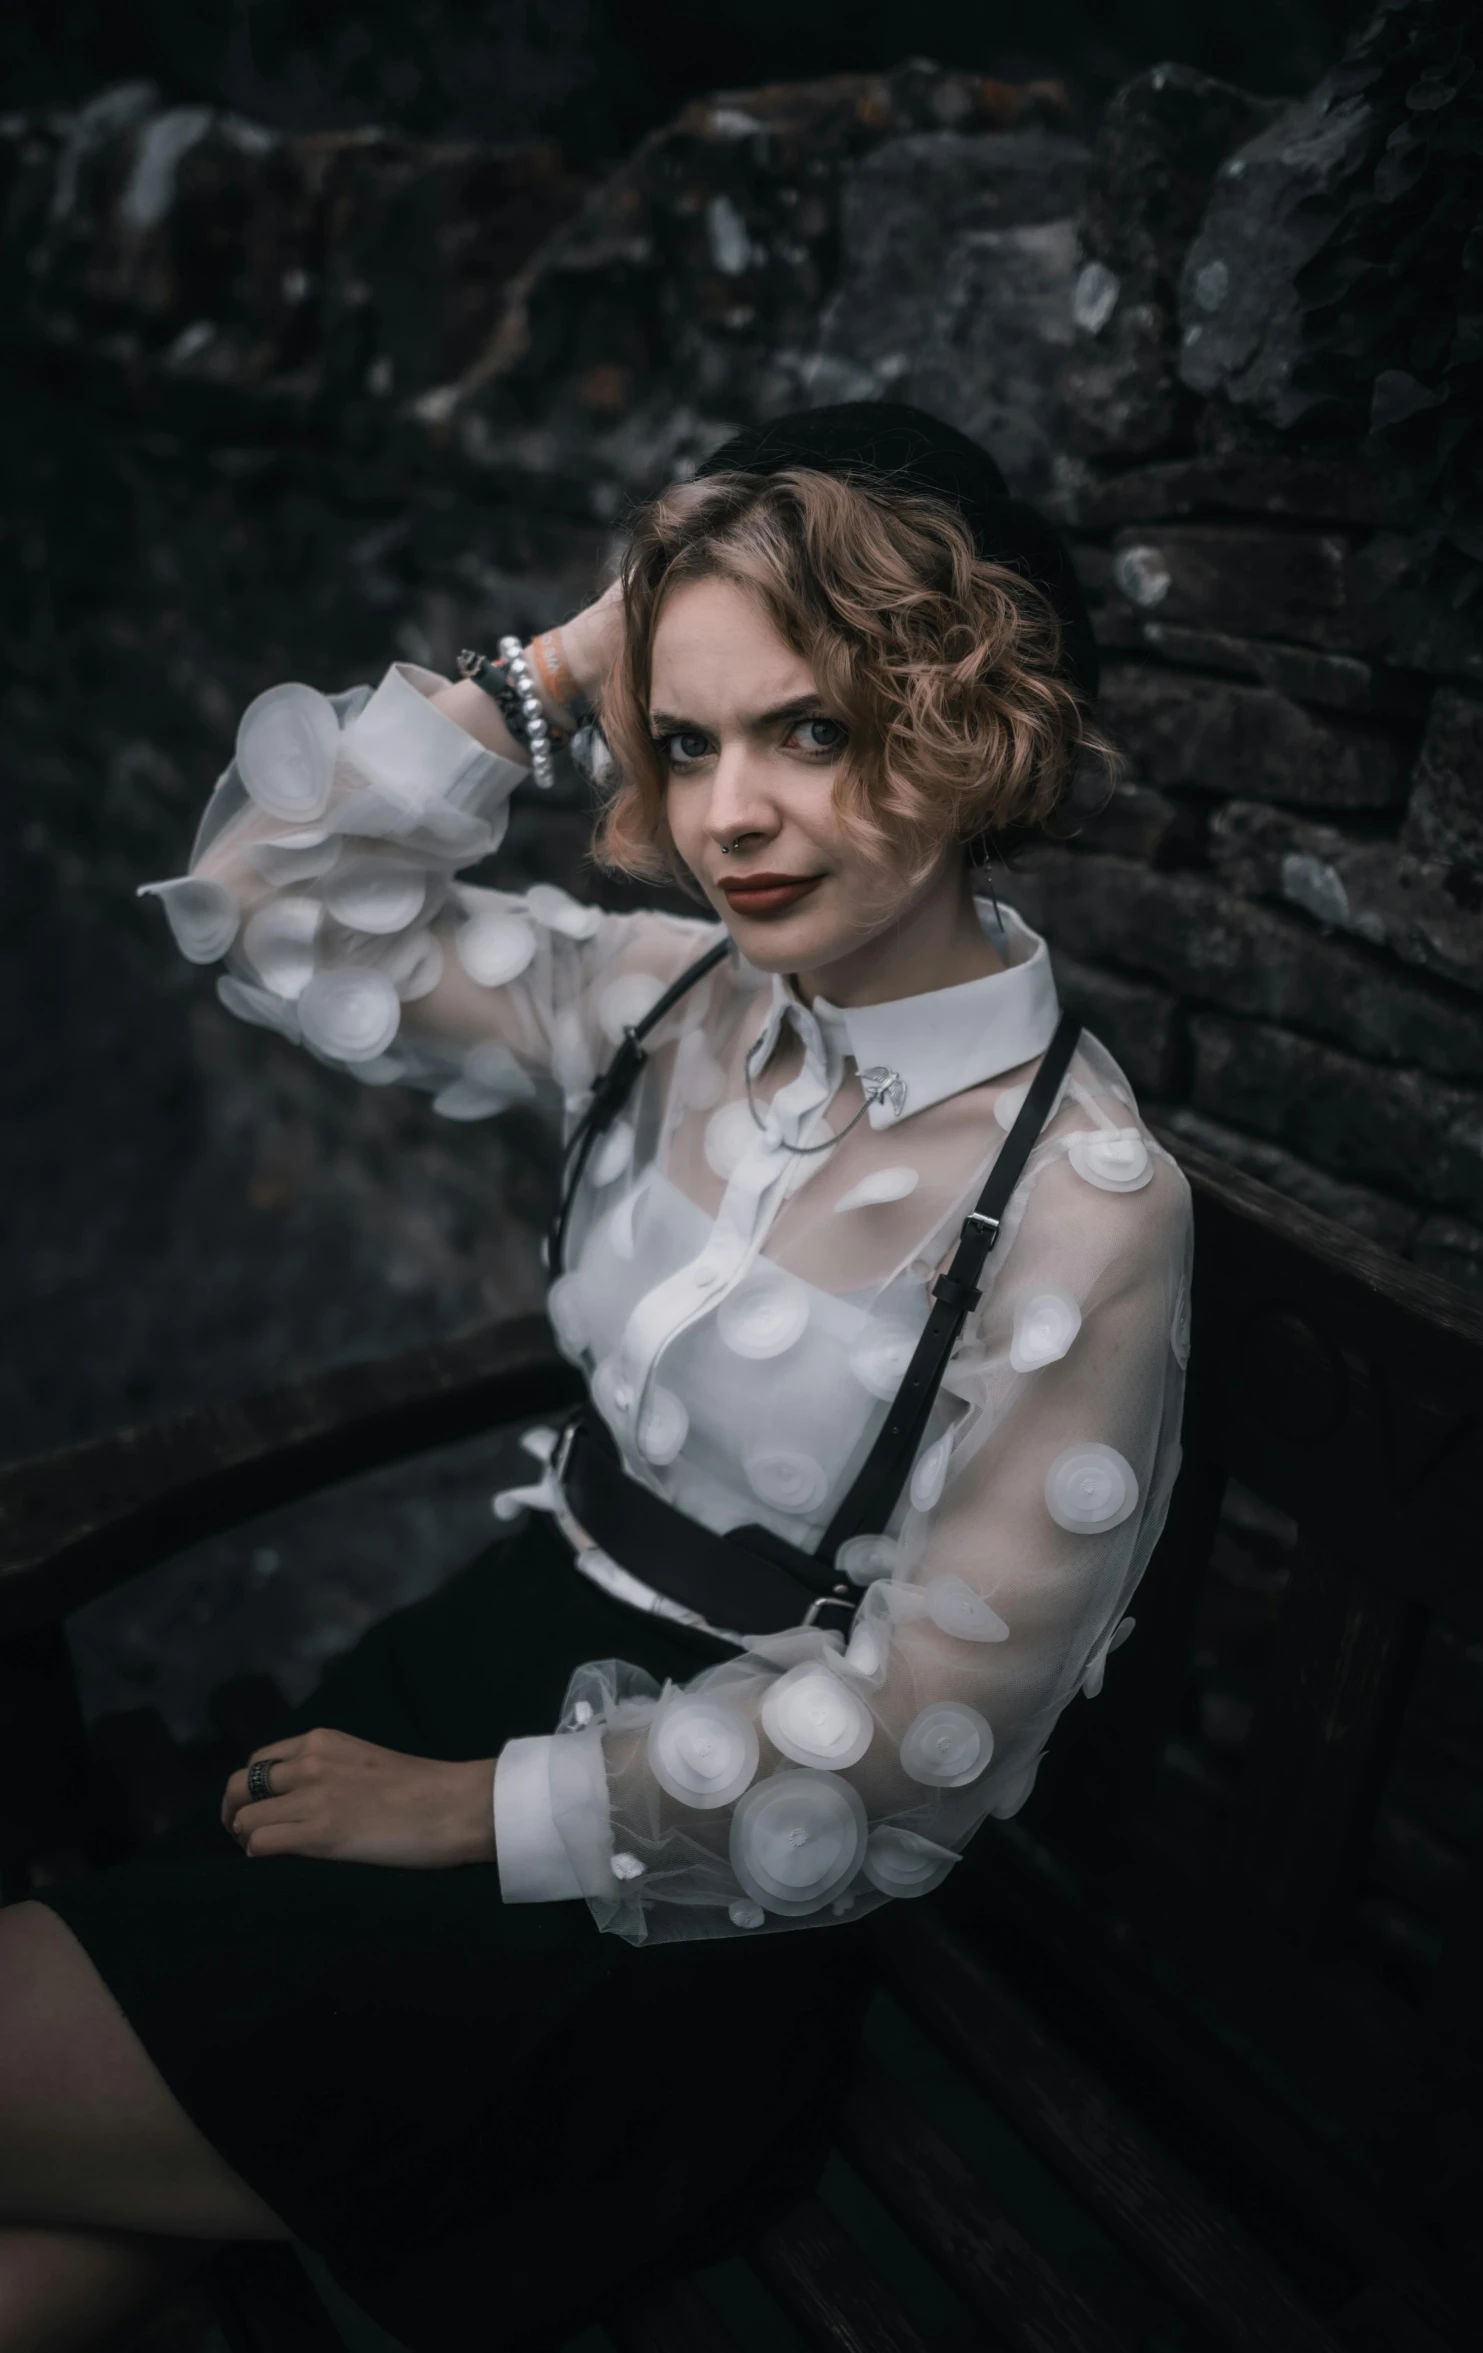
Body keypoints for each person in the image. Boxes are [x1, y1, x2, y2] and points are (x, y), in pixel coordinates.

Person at [0, 405, 1190, 2350]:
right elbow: (276, 904)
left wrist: (471, 1813)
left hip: (683, 1891)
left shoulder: (1084, 1202)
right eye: (694, 736)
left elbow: (926, 1749)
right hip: (462, 1664)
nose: (724, 814)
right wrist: (575, 653)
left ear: (973, 725)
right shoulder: (659, 1003)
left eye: (810, 728)